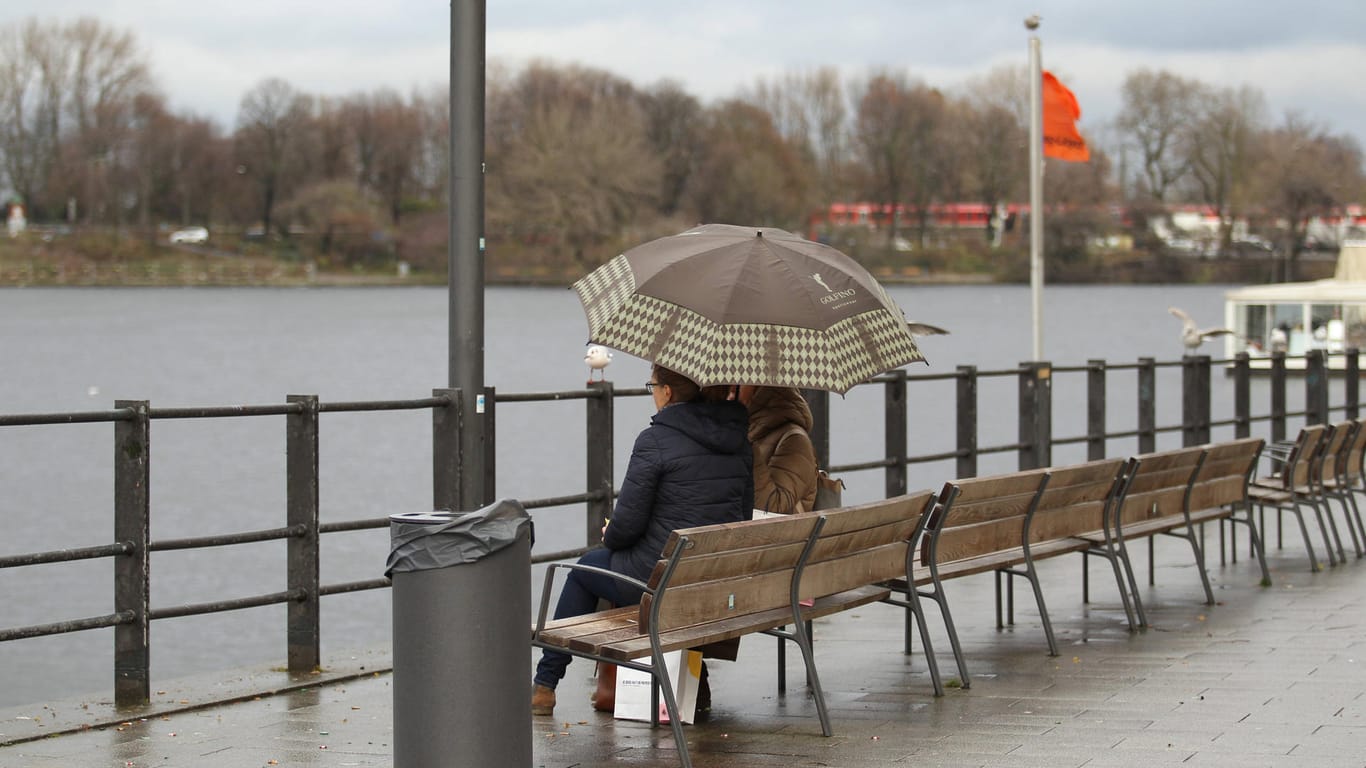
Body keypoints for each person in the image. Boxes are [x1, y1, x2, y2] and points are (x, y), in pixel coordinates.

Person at [531, 364, 753, 715]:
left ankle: (545, 684)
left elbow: (626, 528)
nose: (652, 392)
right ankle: (695, 683)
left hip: (659, 579)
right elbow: (741, 516)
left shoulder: (655, 440)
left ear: (667, 391)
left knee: (585, 569)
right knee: (620, 566)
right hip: (712, 577)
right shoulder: (738, 440)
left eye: (653, 385)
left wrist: (611, 532)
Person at [737, 385, 819, 515]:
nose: (730, 393)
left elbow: (773, 508)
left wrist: (749, 450)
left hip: (784, 534)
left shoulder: (795, 441)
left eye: (736, 386)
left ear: (759, 388)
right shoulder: (754, 431)